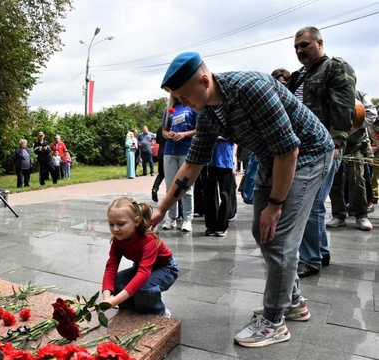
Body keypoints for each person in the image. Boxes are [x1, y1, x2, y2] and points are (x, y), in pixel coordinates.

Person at [154, 52, 334, 348]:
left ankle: (274, 322)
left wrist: (275, 205)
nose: (184, 103)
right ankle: (292, 301)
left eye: (186, 96)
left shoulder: (251, 89)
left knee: (278, 238)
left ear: (204, 80)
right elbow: (193, 164)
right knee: (260, 232)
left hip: (308, 154)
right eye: (179, 98)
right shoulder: (209, 113)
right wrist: (161, 209)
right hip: (270, 157)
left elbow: (290, 151)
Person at [284, 26, 356, 278]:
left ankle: (311, 259)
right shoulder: (297, 76)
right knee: (312, 203)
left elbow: (344, 108)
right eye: (296, 47)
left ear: (320, 42)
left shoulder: (336, 67)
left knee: (311, 202)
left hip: (325, 148)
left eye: (304, 45)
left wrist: (336, 143)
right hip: (301, 150)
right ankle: (321, 252)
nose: (299, 50)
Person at [102, 197, 178, 317]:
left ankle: (159, 313)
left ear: (136, 221)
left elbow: (143, 273)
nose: (115, 229)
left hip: (166, 269)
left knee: (143, 288)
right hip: (142, 267)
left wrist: (114, 301)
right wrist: (106, 299)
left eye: (121, 224)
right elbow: (111, 266)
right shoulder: (118, 240)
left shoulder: (148, 240)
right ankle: (130, 313)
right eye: (111, 224)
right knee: (117, 281)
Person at [327, 91, 376, 234]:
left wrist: (353, 126)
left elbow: (371, 115)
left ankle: (361, 215)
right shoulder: (328, 94)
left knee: (357, 179)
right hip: (334, 144)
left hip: (356, 145)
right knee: (334, 180)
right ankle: (338, 215)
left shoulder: (360, 95)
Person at [161, 95, 197, 233]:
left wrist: (184, 134)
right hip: (170, 151)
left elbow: (198, 129)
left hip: (186, 151)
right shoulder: (169, 109)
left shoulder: (192, 107)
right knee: (170, 187)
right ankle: (171, 218)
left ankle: (187, 219)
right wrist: (168, 134)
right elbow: (163, 130)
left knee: (186, 187)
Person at [202, 138, 235, 237]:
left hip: (224, 159)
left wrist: (216, 136)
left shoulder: (231, 122)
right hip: (208, 160)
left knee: (225, 195)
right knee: (209, 193)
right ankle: (211, 225)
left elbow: (234, 135)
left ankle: (222, 225)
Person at [151, 122, 167, 202]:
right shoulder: (172, 126)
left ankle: (155, 188)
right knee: (172, 175)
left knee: (161, 174)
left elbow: (157, 141)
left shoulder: (160, 127)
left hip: (160, 153)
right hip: (169, 153)